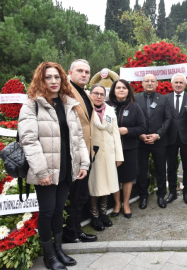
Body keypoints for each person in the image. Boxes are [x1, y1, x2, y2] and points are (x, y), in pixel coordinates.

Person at [19, 62, 90, 270]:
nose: (53, 81)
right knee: (47, 212)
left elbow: (78, 137)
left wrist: (83, 163)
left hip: (66, 168)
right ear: (41, 79)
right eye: (48, 77)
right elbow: (29, 140)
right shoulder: (32, 104)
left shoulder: (68, 103)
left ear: (62, 79)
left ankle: (59, 250)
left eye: (56, 77)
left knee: (59, 211)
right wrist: (41, 171)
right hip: (46, 169)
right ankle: (49, 255)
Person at [63, 59, 97, 243]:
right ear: (70, 72)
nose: (84, 74)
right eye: (80, 71)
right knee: (75, 196)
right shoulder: (65, 92)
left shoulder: (84, 93)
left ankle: (77, 230)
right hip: (73, 153)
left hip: (86, 153)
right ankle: (71, 233)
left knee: (81, 195)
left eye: (87, 72)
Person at [87, 84, 123, 230]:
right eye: (96, 93)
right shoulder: (86, 110)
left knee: (108, 184)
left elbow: (115, 133)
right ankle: (94, 216)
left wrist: (118, 155)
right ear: (90, 95)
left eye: (102, 94)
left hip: (109, 152)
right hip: (94, 153)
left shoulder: (110, 110)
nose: (99, 96)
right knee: (96, 185)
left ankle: (103, 214)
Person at [108, 79, 146, 217]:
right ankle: (117, 204)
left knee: (127, 177)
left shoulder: (134, 107)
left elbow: (142, 127)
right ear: (113, 90)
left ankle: (126, 204)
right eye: (118, 88)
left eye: (124, 88)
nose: (121, 90)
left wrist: (128, 131)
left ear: (128, 90)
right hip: (110, 149)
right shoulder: (106, 106)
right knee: (114, 177)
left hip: (129, 148)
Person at [135, 74, 171, 209]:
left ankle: (161, 196)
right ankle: (143, 197)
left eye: (152, 81)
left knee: (161, 170)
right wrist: (140, 135)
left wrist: (158, 135)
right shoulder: (135, 98)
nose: (149, 83)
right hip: (141, 141)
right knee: (141, 171)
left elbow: (168, 119)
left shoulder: (163, 99)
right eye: (146, 81)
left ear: (157, 84)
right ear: (142, 84)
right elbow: (133, 118)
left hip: (159, 142)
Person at [165, 73, 187, 204]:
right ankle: (172, 192)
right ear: (172, 84)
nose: (178, 84)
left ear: (185, 84)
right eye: (176, 82)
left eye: (181, 82)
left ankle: (186, 192)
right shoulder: (166, 99)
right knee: (171, 166)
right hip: (170, 138)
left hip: (186, 138)